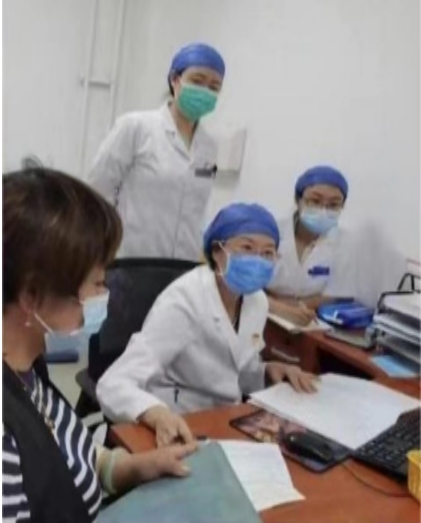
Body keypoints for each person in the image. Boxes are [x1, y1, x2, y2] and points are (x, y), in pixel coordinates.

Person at [2, 168, 196, 523]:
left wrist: (135, 468)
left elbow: (68, 457)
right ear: (31, 295)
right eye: (96, 284)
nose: (103, 296)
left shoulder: (28, 365)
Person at [97, 203, 317, 448]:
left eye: (268, 253)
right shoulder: (184, 300)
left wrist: (267, 371)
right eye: (247, 248)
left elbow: (234, 369)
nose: (258, 260)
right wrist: (156, 413)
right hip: (178, 420)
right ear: (216, 251)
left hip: (225, 420)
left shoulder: (257, 301)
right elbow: (113, 384)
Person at [88, 42, 225, 260]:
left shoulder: (209, 147)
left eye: (214, 87)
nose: (205, 91)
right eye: (197, 81)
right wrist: (102, 250)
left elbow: (198, 210)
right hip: (130, 260)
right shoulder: (136, 127)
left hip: (183, 266)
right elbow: (96, 193)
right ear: (175, 80)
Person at [267, 165, 406, 325]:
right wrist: (280, 308)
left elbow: (333, 295)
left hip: (308, 318)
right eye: (315, 201)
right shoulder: (270, 232)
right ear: (298, 200)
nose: (323, 210)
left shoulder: (346, 244)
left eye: (333, 205)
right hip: (262, 313)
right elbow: (250, 288)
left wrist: (298, 307)